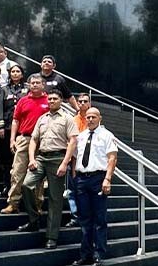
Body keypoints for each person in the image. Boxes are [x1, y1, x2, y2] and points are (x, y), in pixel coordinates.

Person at [17, 89, 79, 250]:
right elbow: (34, 140)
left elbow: (73, 142)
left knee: (55, 199)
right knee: (26, 185)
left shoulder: (67, 119)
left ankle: (52, 237)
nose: (51, 101)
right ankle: (34, 219)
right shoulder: (42, 118)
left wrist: (65, 163)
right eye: (49, 99)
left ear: (61, 101)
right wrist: (31, 159)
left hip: (58, 159)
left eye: (55, 99)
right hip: (41, 158)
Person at [72, 107, 117, 266]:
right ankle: (85, 255)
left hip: (98, 178)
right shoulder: (82, 136)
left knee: (99, 218)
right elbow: (76, 157)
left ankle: (99, 253)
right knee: (84, 219)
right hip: (82, 180)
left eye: (93, 117)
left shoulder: (106, 135)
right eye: (88, 117)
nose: (90, 119)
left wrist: (107, 179)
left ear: (100, 118)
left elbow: (112, 158)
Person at [1, 74, 48, 215]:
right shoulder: (23, 100)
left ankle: (37, 205)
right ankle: (13, 203)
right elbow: (15, 120)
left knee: (38, 175)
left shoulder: (49, 101)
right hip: (24, 139)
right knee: (17, 172)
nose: (34, 85)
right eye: (32, 83)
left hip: (41, 142)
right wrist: (12, 139)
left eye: (37, 82)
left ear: (43, 85)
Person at [0, 63, 28, 187]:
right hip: (7, 128)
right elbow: (0, 109)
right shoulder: (4, 89)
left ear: (22, 74)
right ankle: (6, 185)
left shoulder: (27, 89)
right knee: (6, 158)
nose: (15, 73)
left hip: (22, 129)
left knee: (20, 160)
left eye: (17, 71)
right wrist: (0, 126)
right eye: (13, 72)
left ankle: (19, 187)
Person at [64, 93, 92, 228]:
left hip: (89, 161)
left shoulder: (92, 120)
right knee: (72, 190)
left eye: (85, 101)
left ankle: (86, 216)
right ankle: (75, 216)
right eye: (79, 101)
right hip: (74, 159)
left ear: (89, 104)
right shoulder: (73, 119)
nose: (81, 103)